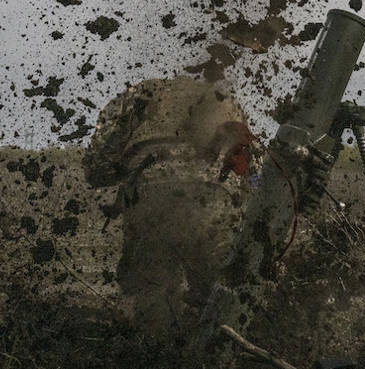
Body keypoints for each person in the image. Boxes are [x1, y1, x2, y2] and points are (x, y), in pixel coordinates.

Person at [83, 77, 259, 338]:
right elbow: (254, 175)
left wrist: (126, 168)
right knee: (225, 296)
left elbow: (96, 167)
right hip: (215, 201)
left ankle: (159, 351)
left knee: (150, 297)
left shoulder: (137, 96)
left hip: (150, 197)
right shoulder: (224, 99)